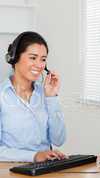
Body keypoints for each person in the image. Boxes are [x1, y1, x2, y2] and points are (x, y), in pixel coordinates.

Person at [0, 31, 66, 162]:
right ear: (14, 57)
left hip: (44, 170)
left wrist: (51, 98)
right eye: (33, 57)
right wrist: (34, 156)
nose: (39, 65)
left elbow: (58, 140)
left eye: (43, 59)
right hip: (10, 172)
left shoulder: (45, 94)